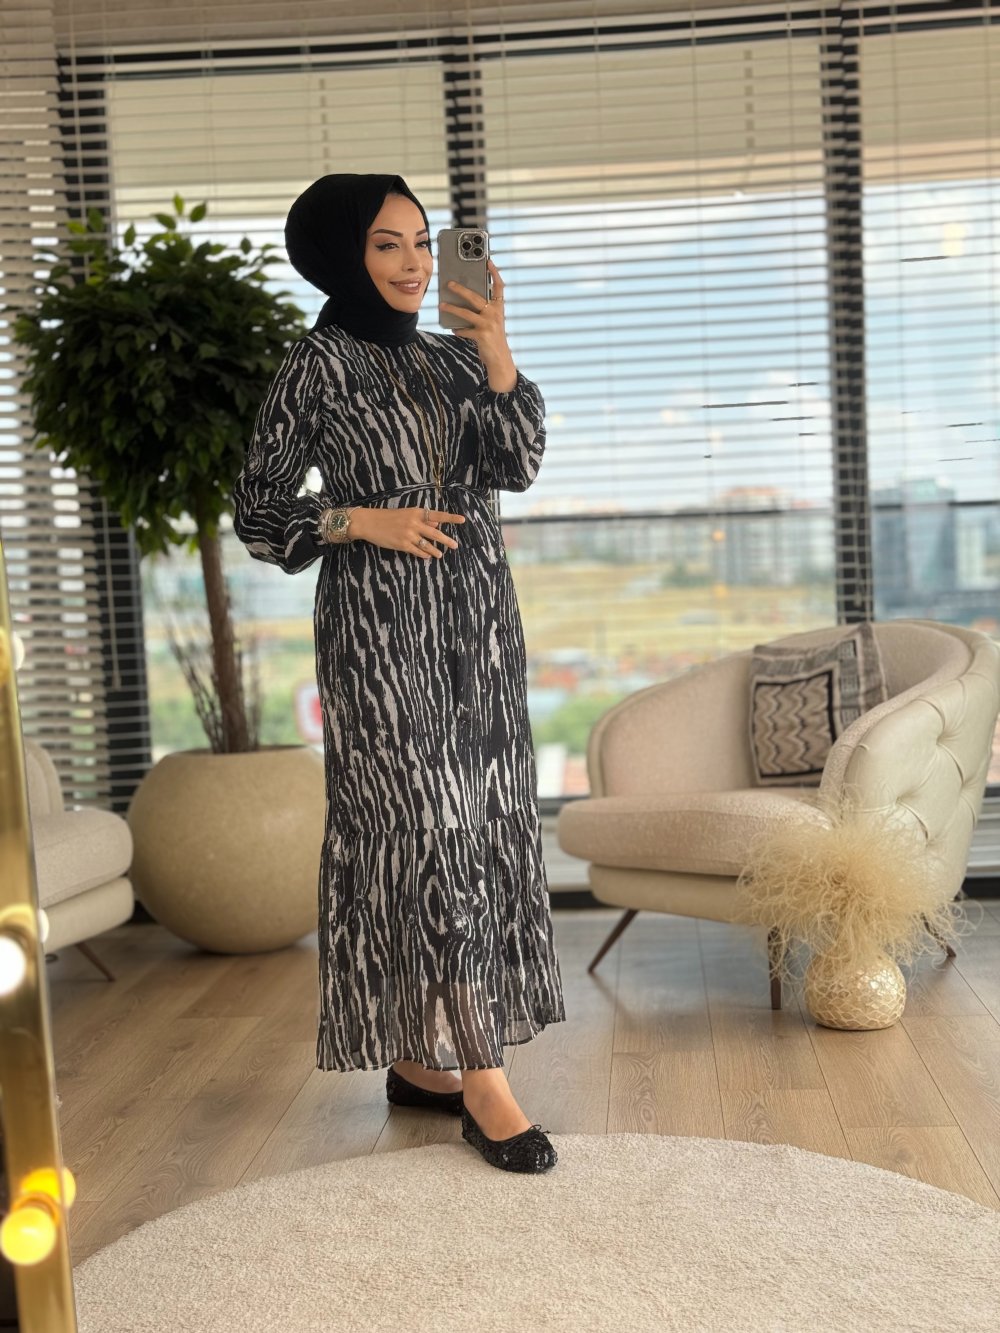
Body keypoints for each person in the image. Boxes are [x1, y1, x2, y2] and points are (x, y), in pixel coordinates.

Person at [232, 173, 566, 1174]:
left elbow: (517, 462)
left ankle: (420, 1062)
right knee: (426, 832)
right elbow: (259, 509)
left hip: (479, 630)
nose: (416, 262)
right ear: (343, 255)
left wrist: (496, 347)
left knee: (472, 828)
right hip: (379, 637)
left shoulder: (455, 356)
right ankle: (484, 1079)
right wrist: (357, 518)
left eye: (423, 241)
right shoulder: (317, 363)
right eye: (388, 244)